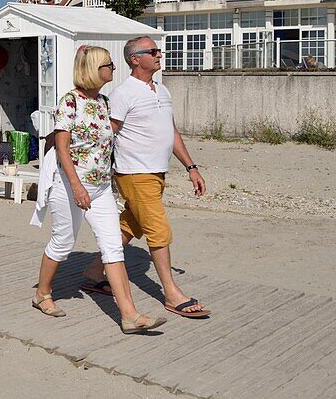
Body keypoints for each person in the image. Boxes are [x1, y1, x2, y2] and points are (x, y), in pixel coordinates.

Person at [31, 46, 166, 334]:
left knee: (113, 246)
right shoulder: (70, 102)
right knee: (63, 243)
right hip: (70, 185)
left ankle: (130, 316)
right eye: (108, 64)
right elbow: (62, 148)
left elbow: (109, 145)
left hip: (101, 187)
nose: (113, 68)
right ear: (94, 69)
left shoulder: (104, 102)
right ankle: (42, 293)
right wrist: (77, 186)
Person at [80, 35, 211, 319]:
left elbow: (171, 132)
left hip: (156, 172)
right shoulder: (122, 94)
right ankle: (172, 293)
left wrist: (191, 167)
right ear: (135, 59)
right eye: (152, 51)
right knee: (158, 229)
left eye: (158, 50)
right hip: (134, 172)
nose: (159, 54)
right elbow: (106, 134)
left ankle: (94, 271)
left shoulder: (162, 91)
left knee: (132, 223)